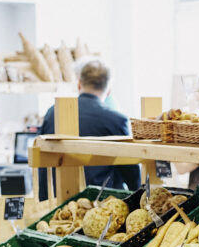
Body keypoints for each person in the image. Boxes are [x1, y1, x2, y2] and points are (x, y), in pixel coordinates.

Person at [37, 59, 139, 193]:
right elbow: (132, 175)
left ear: (79, 84)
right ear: (108, 91)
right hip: (99, 204)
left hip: (55, 202)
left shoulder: (52, 112)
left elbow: (42, 162)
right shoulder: (116, 120)